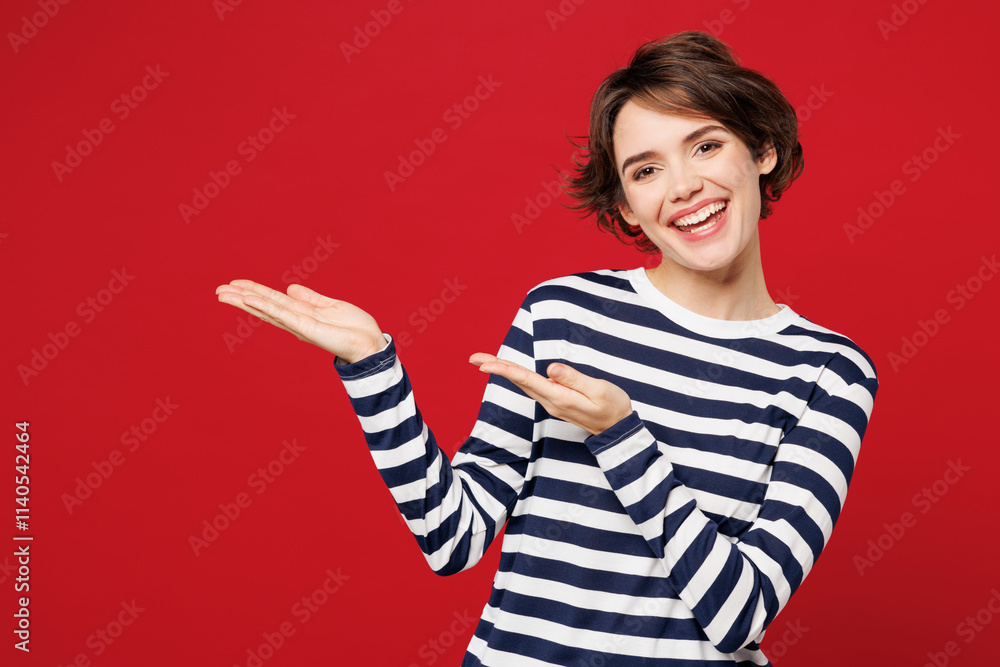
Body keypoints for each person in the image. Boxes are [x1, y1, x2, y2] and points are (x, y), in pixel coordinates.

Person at [216, 30, 878, 666]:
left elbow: (741, 614)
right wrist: (371, 365)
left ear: (760, 149)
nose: (682, 186)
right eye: (647, 169)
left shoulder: (830, 373)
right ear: (625, 206)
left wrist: (620, 434)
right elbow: (453, 535)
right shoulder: (563, 313)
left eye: (705, 146)